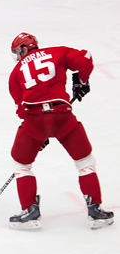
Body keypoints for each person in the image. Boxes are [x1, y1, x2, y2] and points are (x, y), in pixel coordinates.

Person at [8, 32, 114, 230]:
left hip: (35, 119)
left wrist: (38, 135)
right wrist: (80, 80)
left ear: (25, 47)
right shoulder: (57, 52)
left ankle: (30, 212)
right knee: (85, 162)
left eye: (17, 51)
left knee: (21, 164)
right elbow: (86, 58)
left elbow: (21, 109)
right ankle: (96, 212)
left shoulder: (16, 72)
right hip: (62, 115)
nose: (17, 56)